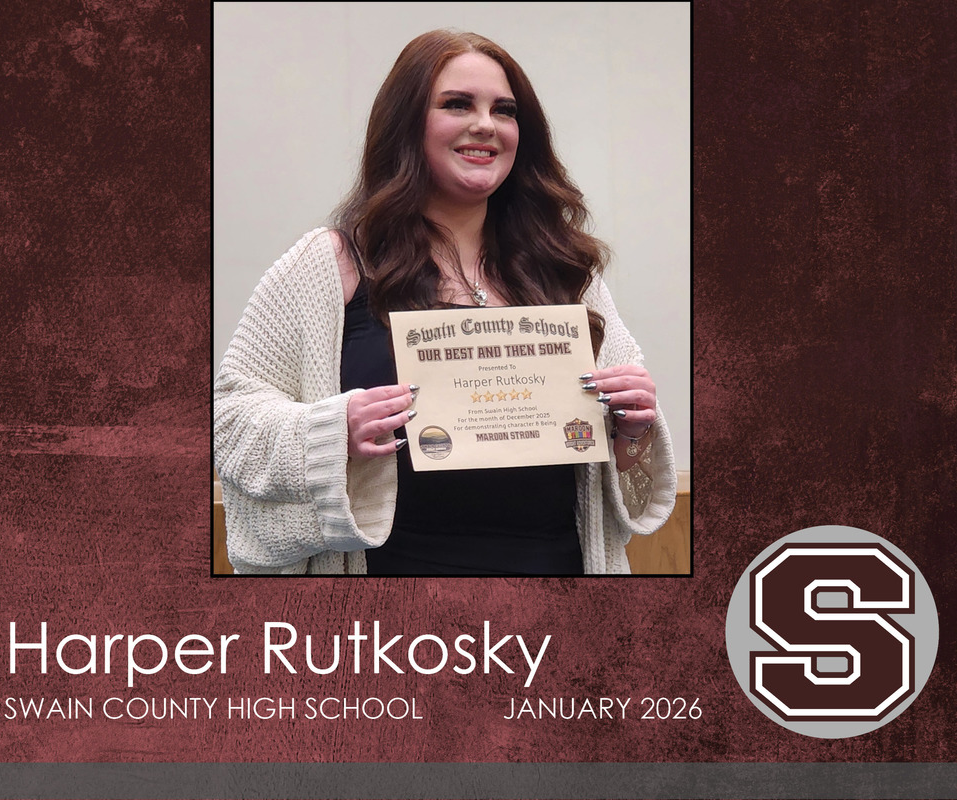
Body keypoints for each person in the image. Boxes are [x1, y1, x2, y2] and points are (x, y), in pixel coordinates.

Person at [214, 29, 677, 574]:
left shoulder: (567, 272)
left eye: (504, 110)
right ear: (406, 124)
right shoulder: (329, 262)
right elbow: (230, 421)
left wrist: (633, 428)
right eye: (457, 104)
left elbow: (624, 474)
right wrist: (333, 431)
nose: (485, 124)